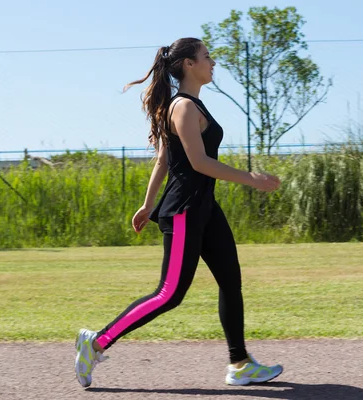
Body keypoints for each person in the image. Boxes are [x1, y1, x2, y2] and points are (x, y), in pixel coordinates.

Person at [74, 37, 283, 388]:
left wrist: (147, 204)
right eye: (206, 56)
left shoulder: (192, 106)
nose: (212, 62)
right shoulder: (183, 107)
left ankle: (241, 363)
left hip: (204, 209)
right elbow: (199, 163)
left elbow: (164, 159)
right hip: (185, 210)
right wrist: (251, 179)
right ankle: (95, 342)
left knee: (231, 282)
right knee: (169, 294)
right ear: (188, 64)